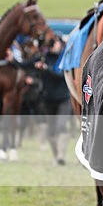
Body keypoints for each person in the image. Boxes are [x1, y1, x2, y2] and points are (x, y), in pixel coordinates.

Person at [35, 34, 72, 165]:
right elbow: (26, 65)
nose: (53, 45)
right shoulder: (44, 57)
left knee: (61, 126)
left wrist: (47, 68)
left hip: (63, 98)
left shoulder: (64, 58)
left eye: (55, 42)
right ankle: (56, 155)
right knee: (51, 131)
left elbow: (60, 74)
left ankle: (61, 156)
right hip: (47, 99)